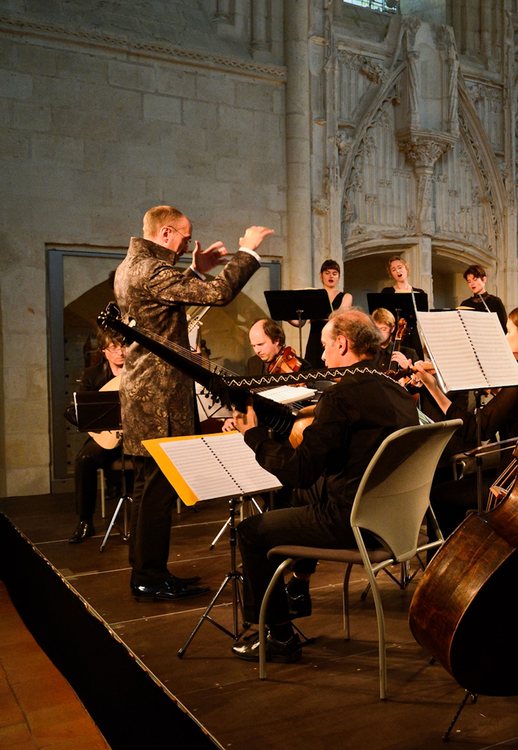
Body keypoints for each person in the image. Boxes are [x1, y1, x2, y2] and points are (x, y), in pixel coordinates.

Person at [231, 309, 420, 662]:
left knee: (251, 531)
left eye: (324, 346)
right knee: (302, 495)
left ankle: (279, 635)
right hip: (396, 522)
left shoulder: (340, 397)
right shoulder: (396, 391)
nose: (320, 356)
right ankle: (298, 588)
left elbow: (300, 470)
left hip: (352, 523)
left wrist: (254, 435)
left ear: (343, 344)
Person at [114, 205, 270, 601]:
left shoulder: (133, 266)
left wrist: (195, 271)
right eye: (184, 237)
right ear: (165, 233)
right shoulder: (151, 270)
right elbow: (219, 294)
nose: (187, 244)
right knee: (159, 491)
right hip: (160, 394)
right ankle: (149, 576)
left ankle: (147, 573)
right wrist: (247, 252)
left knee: (150, 489)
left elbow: (166, 300)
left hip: (143, 391)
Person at [415, 302, 518, 528]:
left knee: (436, 497)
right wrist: (500, 394)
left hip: (511, 483)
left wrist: (433, 388)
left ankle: (455, 560)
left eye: (508, 332)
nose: (505, 338)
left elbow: (475, 430)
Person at [64, 329, 125, 544]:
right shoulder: (93, 376)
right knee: (84, 460)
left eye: (123, 346)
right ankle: (85, 522)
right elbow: (75, 411)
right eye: (114, 347)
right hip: (106, 436)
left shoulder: (139, 373)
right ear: (104, 351)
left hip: (135, 436)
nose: (120, 352)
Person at [298, 259, 353, 368]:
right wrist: (285, 314)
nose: (330, 276)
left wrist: (319, 318)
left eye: (334, 273)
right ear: (321, 275)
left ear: (339, 276)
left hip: (333, 340)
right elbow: (300, 322)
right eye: (327, 273)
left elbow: (339, 318)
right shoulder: (312, 296)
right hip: (314, 340)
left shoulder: (346, 296)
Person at [380, 256, 426, 354]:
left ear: (406, 269)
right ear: (391, 274)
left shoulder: (419, 292)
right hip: (394, 334)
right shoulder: (387, 292)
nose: (397, 271)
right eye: (393, 269)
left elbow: (423, 315)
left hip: (413, 334)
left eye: (400, 267)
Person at [458, 264, 507, 331]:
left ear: (484, 279)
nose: (472, 284)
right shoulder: (465, 304)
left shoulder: (495, 302)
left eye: (475, 279)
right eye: (469, 281)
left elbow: (503, 327)